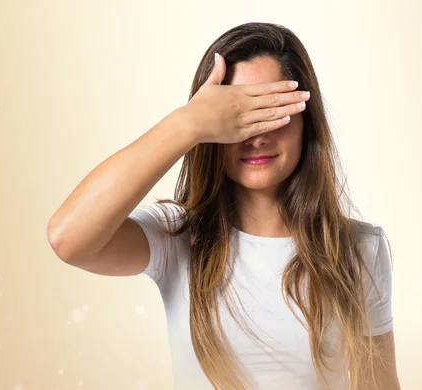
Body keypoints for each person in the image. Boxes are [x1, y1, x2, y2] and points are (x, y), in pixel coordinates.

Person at [47, 22, 400, 390]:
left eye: (272, 111)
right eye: (237, 117)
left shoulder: (359, 248)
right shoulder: (177, 238)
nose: (257, 135)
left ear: (305, 121)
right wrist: (186, 124)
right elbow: (67, 238)